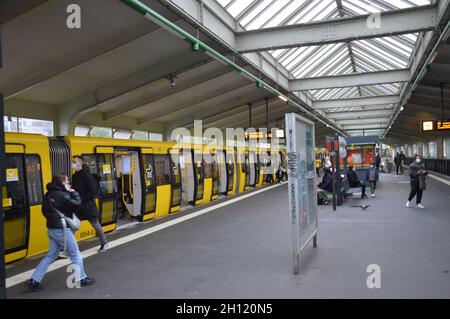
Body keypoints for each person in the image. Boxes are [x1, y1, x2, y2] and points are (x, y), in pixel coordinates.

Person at [25, 174, 95, 292]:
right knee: (75, 254)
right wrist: (73, 192)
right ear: (62, 182)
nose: (69, 182)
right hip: (62, 230)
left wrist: (54, 218)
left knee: (51, 256)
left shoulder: (48, 194)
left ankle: (34, 280)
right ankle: (80, 279)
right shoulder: (61, 194)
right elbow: (76, 204)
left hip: (52, 229)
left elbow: (44, 211)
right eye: (67, 180)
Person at [71, 155, 109, 252]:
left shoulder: (86, 175)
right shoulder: (74, 176)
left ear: (81, 163)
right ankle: (69, 248)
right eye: (73, 162)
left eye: (75, 162)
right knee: (72, 226)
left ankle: (104, 243)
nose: (73, 164)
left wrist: (81, 199)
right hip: (78, 205)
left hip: (87, 205)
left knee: (95, 224)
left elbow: (92, 190)